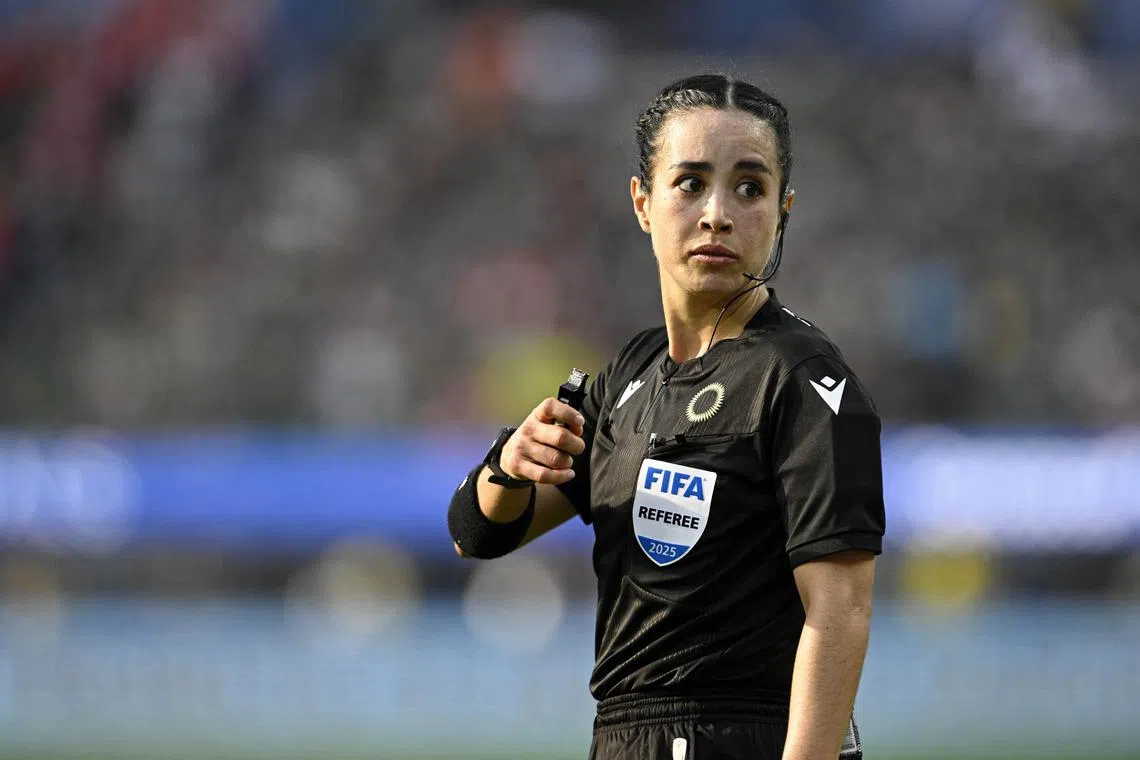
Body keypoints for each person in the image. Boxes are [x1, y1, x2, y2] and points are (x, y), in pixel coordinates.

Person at [448, 73, 885, 760]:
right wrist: (509, 462)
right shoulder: (630, 376)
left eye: (750, 187)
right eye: (690, 183)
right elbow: (476, 535)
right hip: (624, 739)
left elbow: (841, 613)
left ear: (783, 210)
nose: (718, 213)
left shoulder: (805, 382)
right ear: (642, 202)